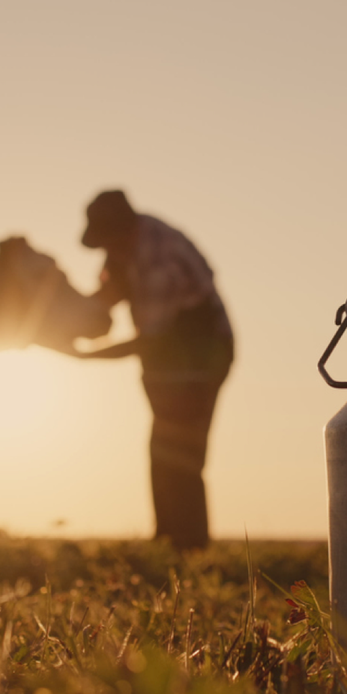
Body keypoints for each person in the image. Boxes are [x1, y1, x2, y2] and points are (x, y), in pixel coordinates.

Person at [79, 189, 233, 550]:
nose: (105, 252)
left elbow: (148, 340)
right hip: (167, 361)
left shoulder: (159, 257)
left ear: (122, 231)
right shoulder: (121, 252)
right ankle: (167, 541)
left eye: (107, 242)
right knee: (162, 447)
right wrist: (71, 319)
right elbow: (103, 298)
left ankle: (189, 545)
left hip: (200, 358)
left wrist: (85, 355)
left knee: (182, 448)